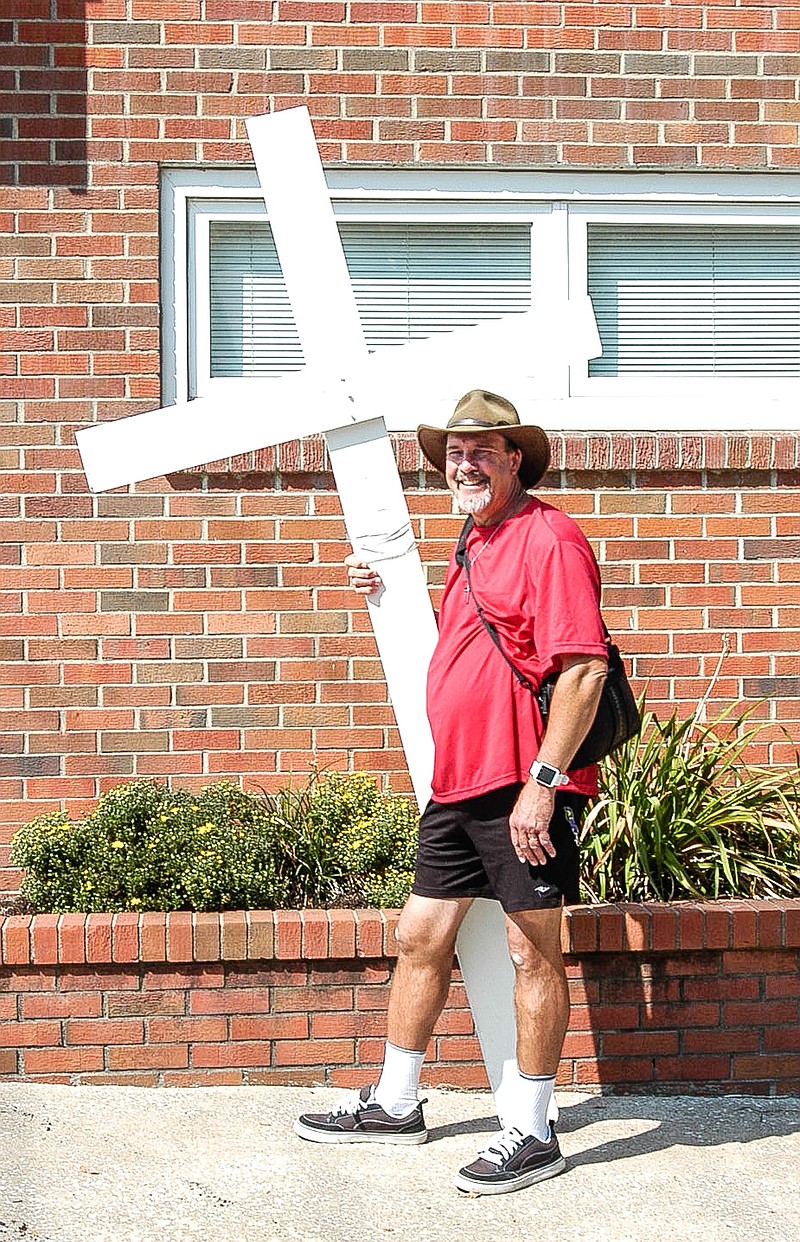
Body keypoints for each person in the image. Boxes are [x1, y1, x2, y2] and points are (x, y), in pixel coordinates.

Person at [294, 390, 608, 1195]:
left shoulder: (550, 537)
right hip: (458, 785)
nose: (465, 464)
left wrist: (543, 785)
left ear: (515, 459)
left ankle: (533, 1132)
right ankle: (398, 1103)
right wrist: (383, 586)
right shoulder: (475, 536)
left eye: (483, 450)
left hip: (521, 788)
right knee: (420, 938)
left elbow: (583, 669)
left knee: (530, 952)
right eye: (455, 452)